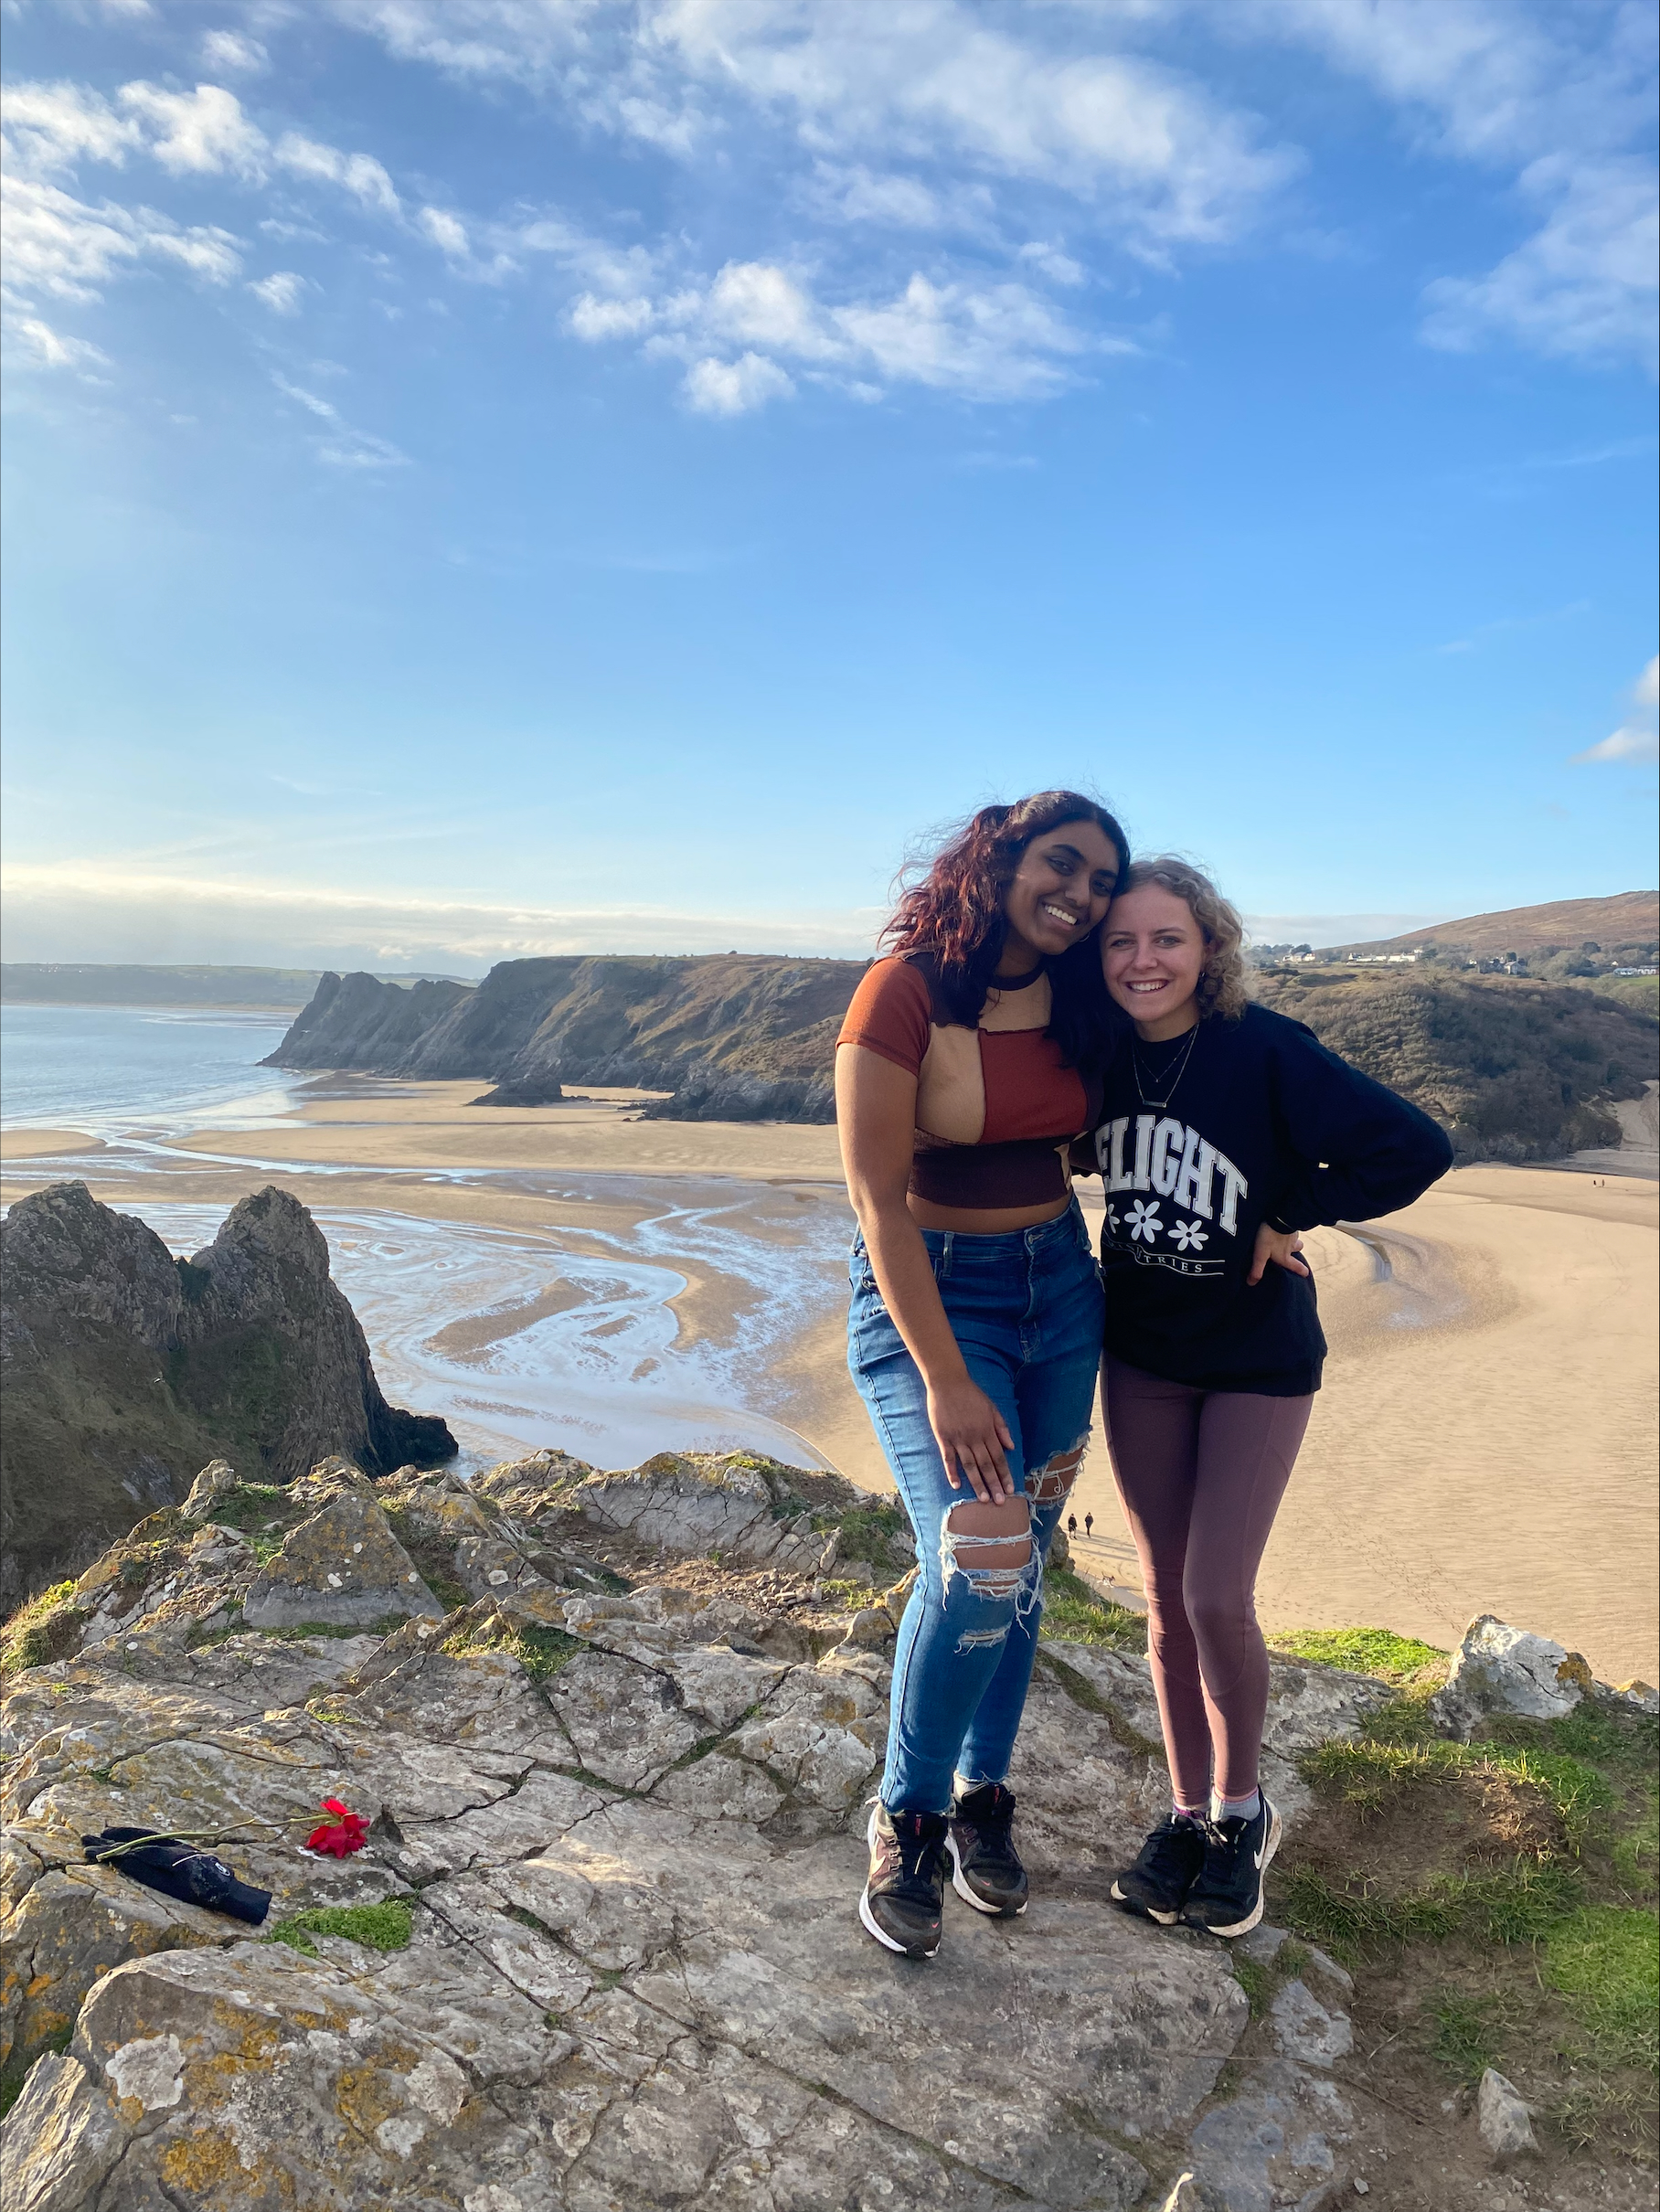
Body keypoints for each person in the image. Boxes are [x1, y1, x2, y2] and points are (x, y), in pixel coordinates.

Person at [1081, 858, 1452, 1939]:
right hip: (1140, 1353)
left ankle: (1243, 1812)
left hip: (1256, 1361)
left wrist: (1289, 1207)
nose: (1142, 960)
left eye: (1166, 939)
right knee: (1161, 1599)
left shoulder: (1266, 1047)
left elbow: (1415, 1146)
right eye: (1119, 941)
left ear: (1209, 948)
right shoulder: (1099, 1057)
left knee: (1212, 1596)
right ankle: (1186, 1813)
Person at [835, 790, 1129, 1959]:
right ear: (999, 858)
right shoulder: (904, 987)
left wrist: (1282, 1213)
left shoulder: (1086, 989)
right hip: (931, 1290)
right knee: (980, 1548)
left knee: (1026, 1562)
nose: (1083, 893)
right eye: (1063, 863)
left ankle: (980, 1796)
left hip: (1060, 1286)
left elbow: (1191, 1097)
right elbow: (875, 1199)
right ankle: (905, 1814)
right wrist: (946, 1376)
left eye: (1103, 878)